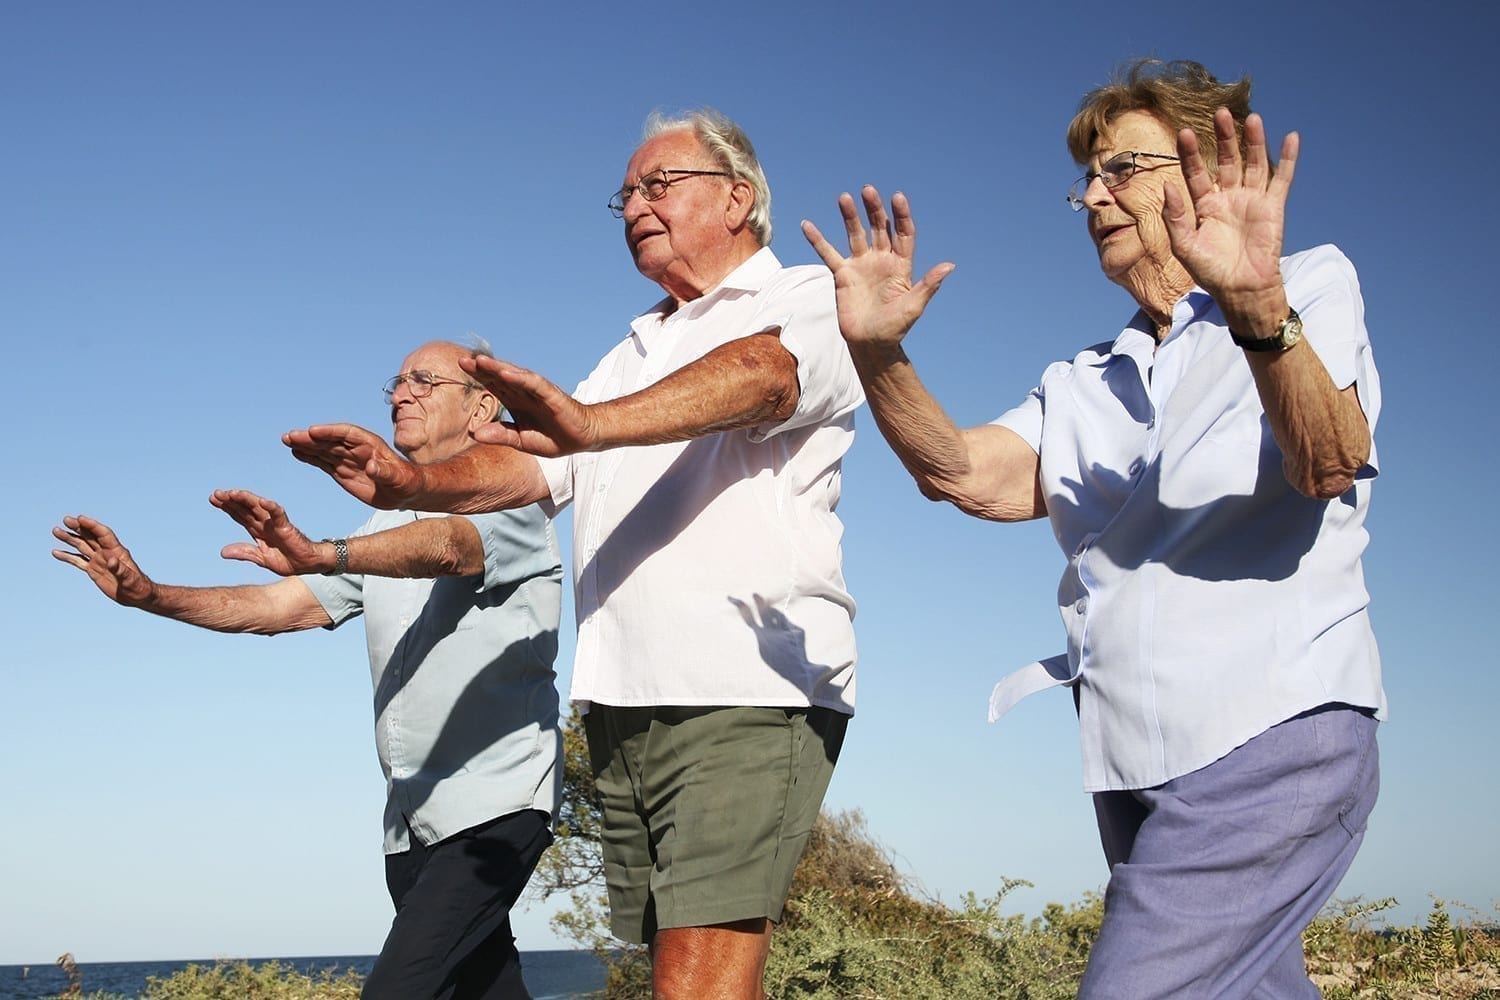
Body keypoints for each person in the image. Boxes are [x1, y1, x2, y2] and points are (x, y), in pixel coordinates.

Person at [803, 59, 1383, 999]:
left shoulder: (1303, 284)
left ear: (1199, 169)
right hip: (1130, 760)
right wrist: (877, 354)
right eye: (1089, 179)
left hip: (1274, 731)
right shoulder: (1080, 378)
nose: (1096, 198)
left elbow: (1327, 461)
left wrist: (1256, 309)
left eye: (1123, 170)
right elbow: (958, 472)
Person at [282, 108, 864, 999]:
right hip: (624, 700)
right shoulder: (632, 349)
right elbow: (528, 467)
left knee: (697, 974)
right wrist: (408, 483)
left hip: (745, 685)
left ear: (738, 198)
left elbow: (762, 376)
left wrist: (590, 428)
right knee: (678, 966)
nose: (635, 204)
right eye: (625, 193)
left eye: (659, 184)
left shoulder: (806, 300)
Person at [53, 339, 564, 1000]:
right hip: (410, 826)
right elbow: (275, 607)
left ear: (481, 406)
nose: (400, 393)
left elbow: (447, 547)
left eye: (423, 380)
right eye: (396, 382)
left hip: (493, 808)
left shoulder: (509, 498)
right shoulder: (385, 523)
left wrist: (326, 552)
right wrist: (149, 594)